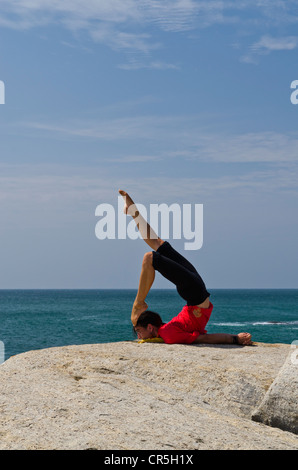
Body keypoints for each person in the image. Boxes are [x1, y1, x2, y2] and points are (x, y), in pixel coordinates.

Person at [119, 190, 252, 346]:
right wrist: (234, 338)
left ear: (150, 327)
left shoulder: (166, 332)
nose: (139, 336)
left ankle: (133, 211)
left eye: (139, 331)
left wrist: (235, 339)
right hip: (195, 294)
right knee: (152, 254)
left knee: (156, 247)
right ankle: (139, 303)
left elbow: (202, 337)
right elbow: (202, 338)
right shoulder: (168, 333)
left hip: (195, 294)